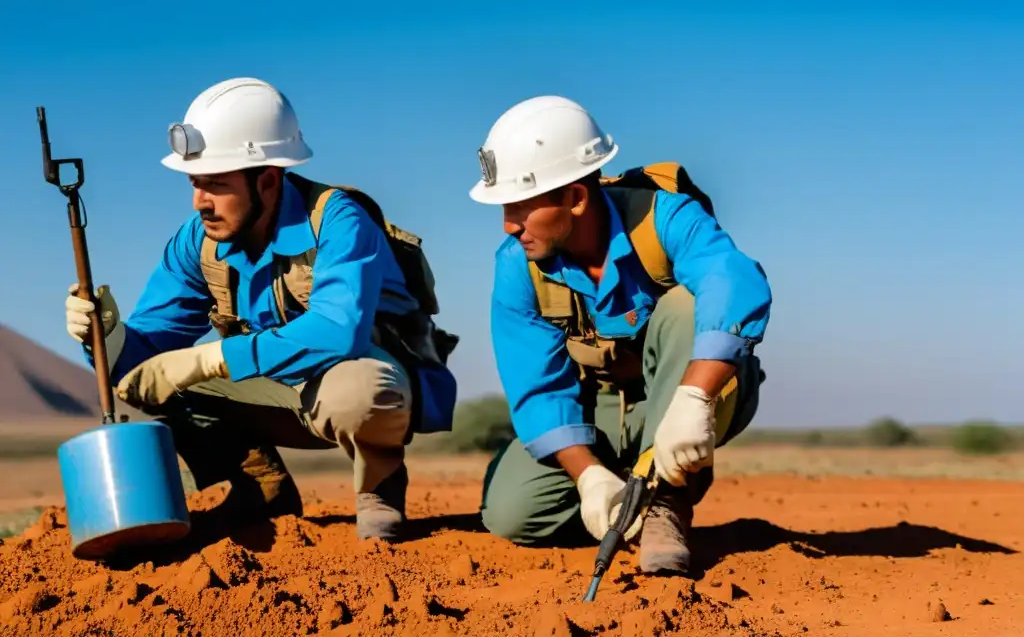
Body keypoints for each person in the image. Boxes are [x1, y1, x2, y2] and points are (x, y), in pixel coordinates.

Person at [63, 77, 459, 542]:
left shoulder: (338, 219)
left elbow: (337, 333)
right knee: (146, 383)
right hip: (275, 391)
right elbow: (145, 360)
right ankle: (261, 487)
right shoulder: (199, 239)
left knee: (359, 389)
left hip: (360, 383)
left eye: (216, 185)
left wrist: (208, 358)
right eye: (195, 183)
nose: (199, 202)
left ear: (268, 180)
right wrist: (107, 339)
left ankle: (379, 489)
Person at [469, 95, 772, 575]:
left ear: (575, 197)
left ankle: (665, 505)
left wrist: (694, 398)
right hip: (601, 408)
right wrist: (588, 476)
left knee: (686, 303)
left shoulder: (666, 217)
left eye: (522, 206)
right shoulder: (516, 267)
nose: (510, 224)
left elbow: (733, 284)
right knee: (512, 514)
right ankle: (620, 504)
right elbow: (537, 387)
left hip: (694, 394)